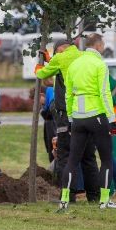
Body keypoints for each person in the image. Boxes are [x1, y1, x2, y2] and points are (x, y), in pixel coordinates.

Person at [58, 33, 116, 211]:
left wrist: (70, 119)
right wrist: (112, 120)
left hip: (78, 117)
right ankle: (104, 201)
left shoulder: (74, 64)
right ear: (99, 45)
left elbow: (68, 94)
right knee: (107, 159)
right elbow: (105, 93)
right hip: (97, 116)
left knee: (72, 160)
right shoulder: (99, 64)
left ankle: (64, 201)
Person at [34, 40, 101, 203]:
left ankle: (68, 197)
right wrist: (53, 59)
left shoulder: (60, 58)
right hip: (88, 112)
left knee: (65, 156)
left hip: (66, 113)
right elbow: (65, 68)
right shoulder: (84, 56)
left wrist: (40, 65)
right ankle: (94, 197)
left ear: (59, 51)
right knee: (88, 156)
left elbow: (42, 75)